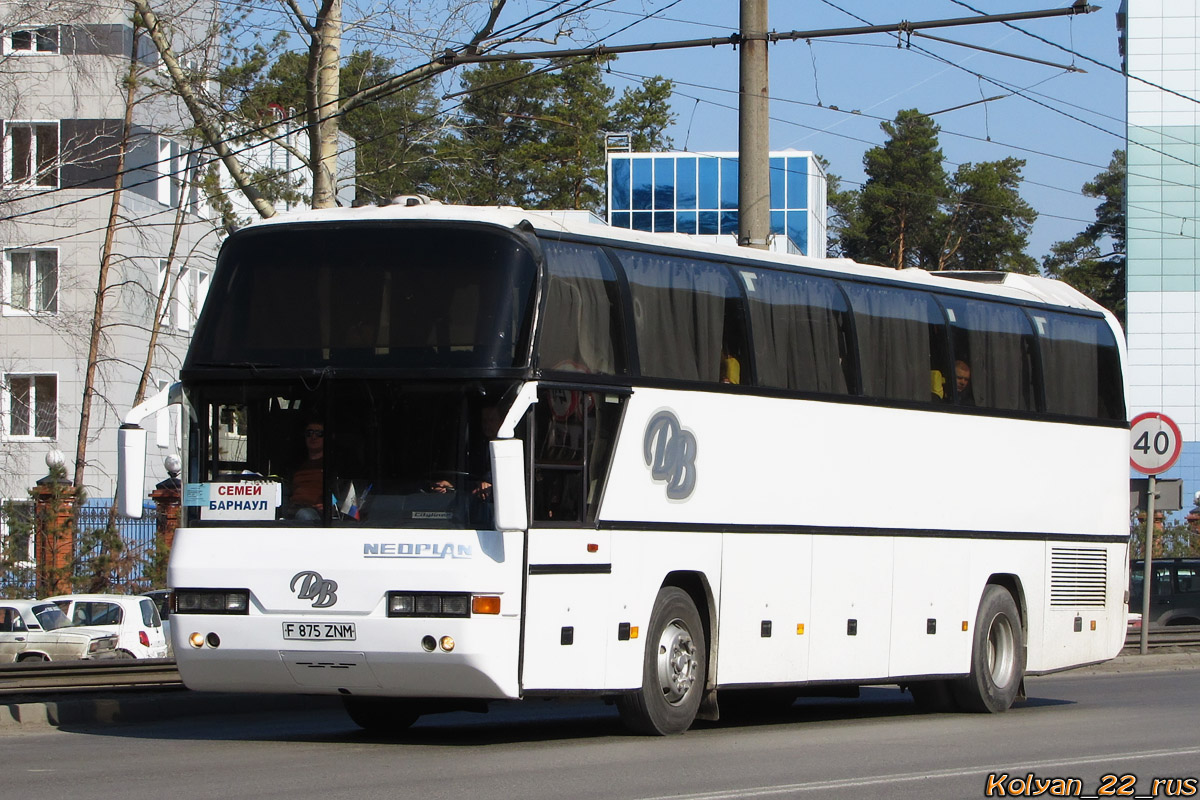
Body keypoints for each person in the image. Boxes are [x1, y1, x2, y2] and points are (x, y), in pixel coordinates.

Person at [288, 421, 325, 520]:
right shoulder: (294, 464)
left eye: (319, 433)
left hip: (319, 515)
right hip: (292, 511)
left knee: (305, 515)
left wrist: (331, 506)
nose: (313, 437)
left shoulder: (333, 465)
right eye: (309, 433)